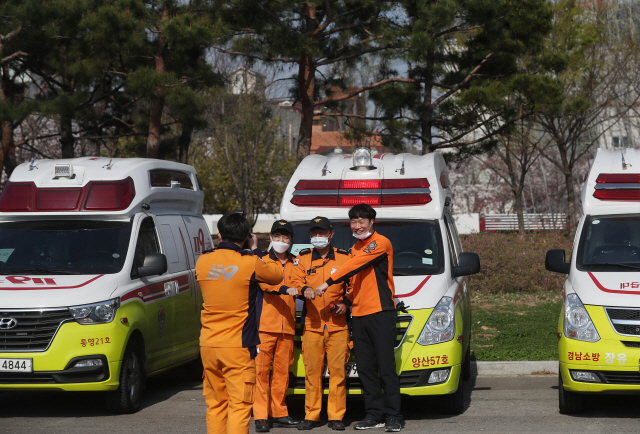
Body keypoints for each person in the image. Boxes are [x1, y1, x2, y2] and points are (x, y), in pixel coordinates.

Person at [314, 204, 403, 432]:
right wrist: (345, 301)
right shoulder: (355, 247)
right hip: (360, 314)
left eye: (362, 221)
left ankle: (393, 415)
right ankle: (374, 414)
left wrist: (328, 282)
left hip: (381, 312)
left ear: (372, 222)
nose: (357, 225)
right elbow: (354, 283)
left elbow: (353, 266)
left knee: (386, 367)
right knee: (365, 367)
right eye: (353, 221)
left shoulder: (380, 243)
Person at [196, 212, 283, 434]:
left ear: (219, 234)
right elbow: (276, 274)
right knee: (240, 405)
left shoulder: (203, 260)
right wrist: (254, 249)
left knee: (215, 404)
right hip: (237, 346)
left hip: (208, 344)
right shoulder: (251, 262)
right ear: (247, 236)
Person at [290, 217, 351, 431]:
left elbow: (353, 286)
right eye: (314, 233)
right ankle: (311, 415)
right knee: (312, 372)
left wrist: (346, 303)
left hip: (338, 325)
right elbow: (294, 282)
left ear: (331, 234)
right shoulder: (303, 258)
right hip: (312, 325)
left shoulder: (345, 258)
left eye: (322, 232)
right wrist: (303, 290)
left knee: (338, 373)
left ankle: (336, 416)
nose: (318, 237)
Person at [254, 220, 301, 432]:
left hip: (288, 326)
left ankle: (279, 412)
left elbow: (301, 284)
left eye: (286, 237)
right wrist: (285, 289)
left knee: (282, 373)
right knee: (261, 372)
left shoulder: (297, 262)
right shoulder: (261, 260)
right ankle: (261, 415)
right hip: (265, 325)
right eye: (278, 236)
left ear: (291, 240)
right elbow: (264, 284)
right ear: (271, 237)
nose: (281, 241)